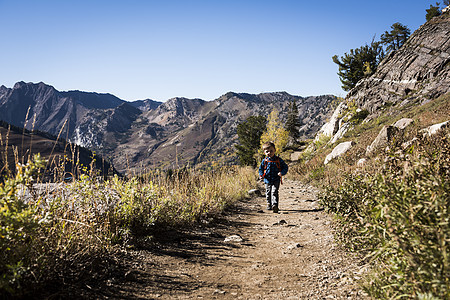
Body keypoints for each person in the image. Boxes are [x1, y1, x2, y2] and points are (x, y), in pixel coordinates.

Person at [258, 141, 288, 213]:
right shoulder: (264, 161)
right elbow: (261, 169)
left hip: (276, 179)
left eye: (271, 151)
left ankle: (275, 205)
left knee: (274, 191)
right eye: (267, 151)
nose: (269, 153)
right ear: (264, 152)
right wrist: (261, 175)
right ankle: (269, 204)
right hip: (267, 179)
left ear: (275, 150)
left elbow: (285, 167)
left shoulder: (278, 160)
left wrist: (282, 173)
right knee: (268, 192)